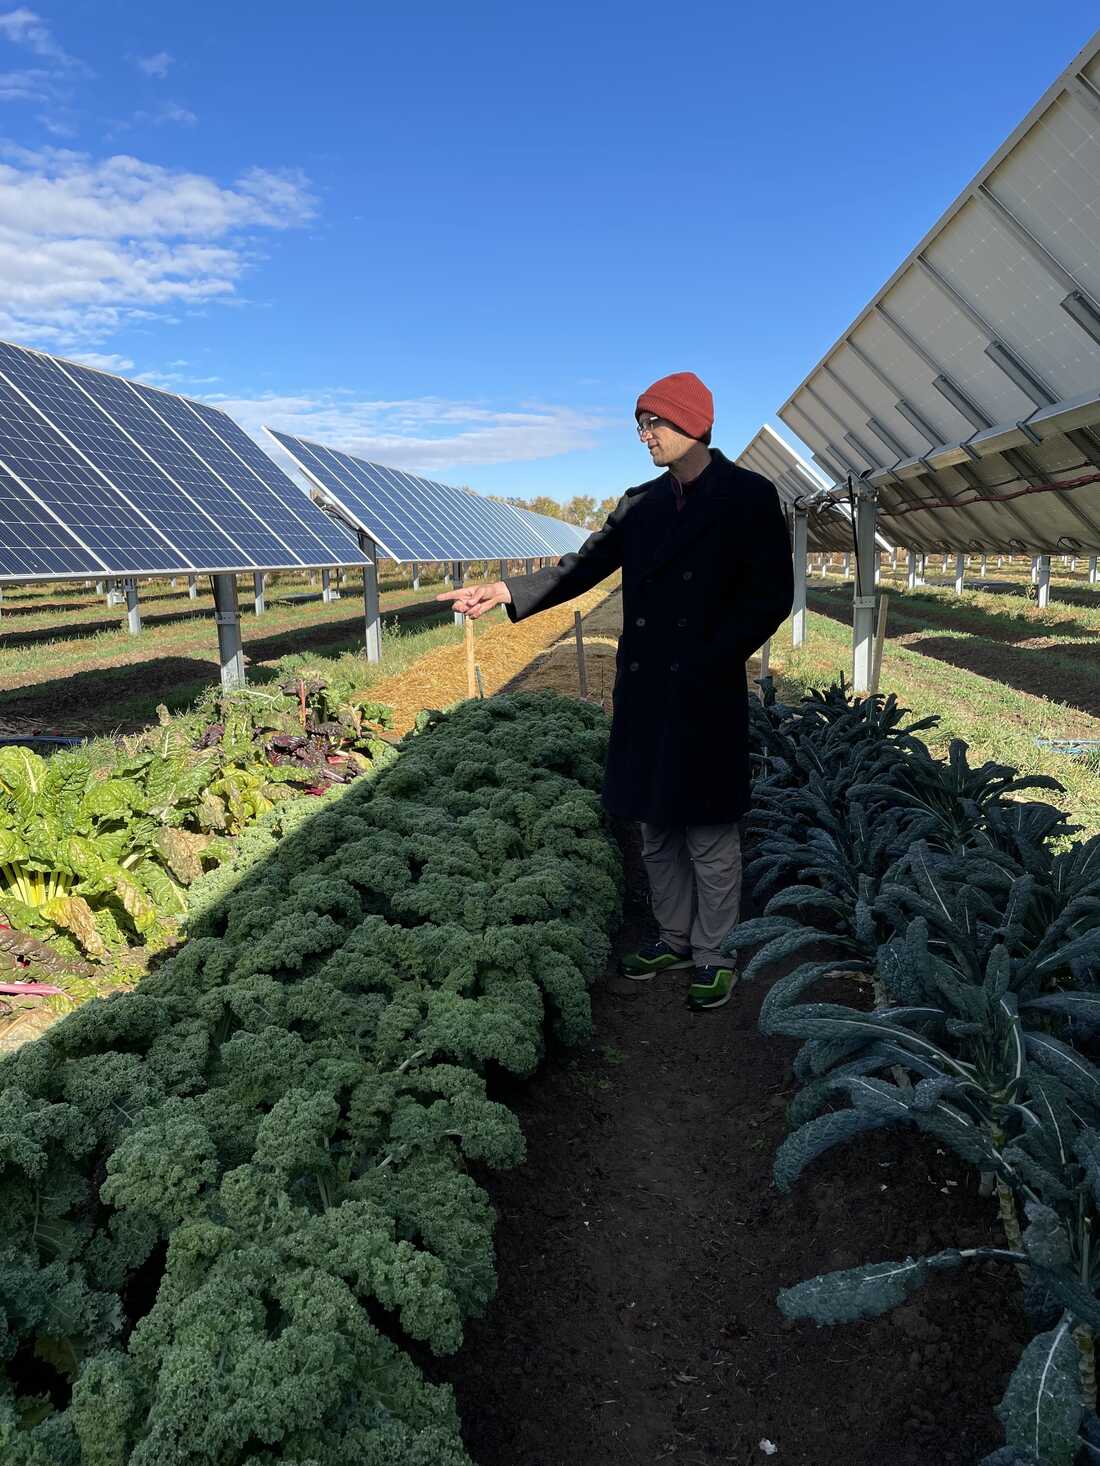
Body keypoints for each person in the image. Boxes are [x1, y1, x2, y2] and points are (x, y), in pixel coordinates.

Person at [437, 372, 794, 1011]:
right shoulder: (640, 503)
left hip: (706, 686)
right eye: (640, 424)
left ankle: (715, 953)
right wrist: (507, 593)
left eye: (654, 422)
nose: (645, 434)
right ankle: (674, 937)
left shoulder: (748, 496)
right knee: (655, 824)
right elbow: (584, 567)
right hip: (646, 685)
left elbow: (771, 595)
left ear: (693, 424)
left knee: (708, 828)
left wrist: (712, 659)